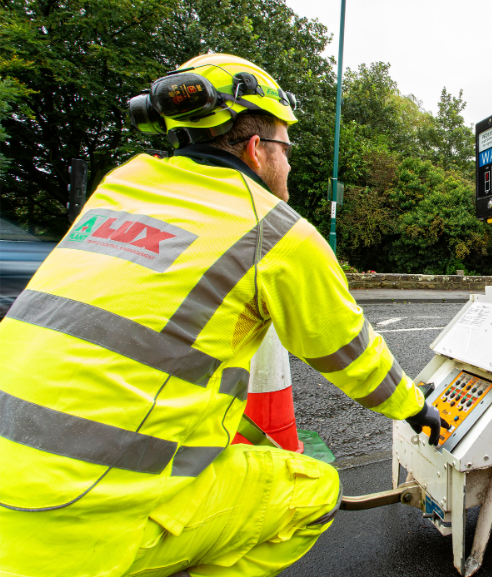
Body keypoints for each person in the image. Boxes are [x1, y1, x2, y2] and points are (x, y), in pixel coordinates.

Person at [0, 53, 445, 577]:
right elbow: (348, 350)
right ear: (259, 150)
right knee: (317, 490)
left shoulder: (120, 189)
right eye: (286, 146)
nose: (289, 163)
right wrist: (415, 409)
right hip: (82, 514)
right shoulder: (275, 231)